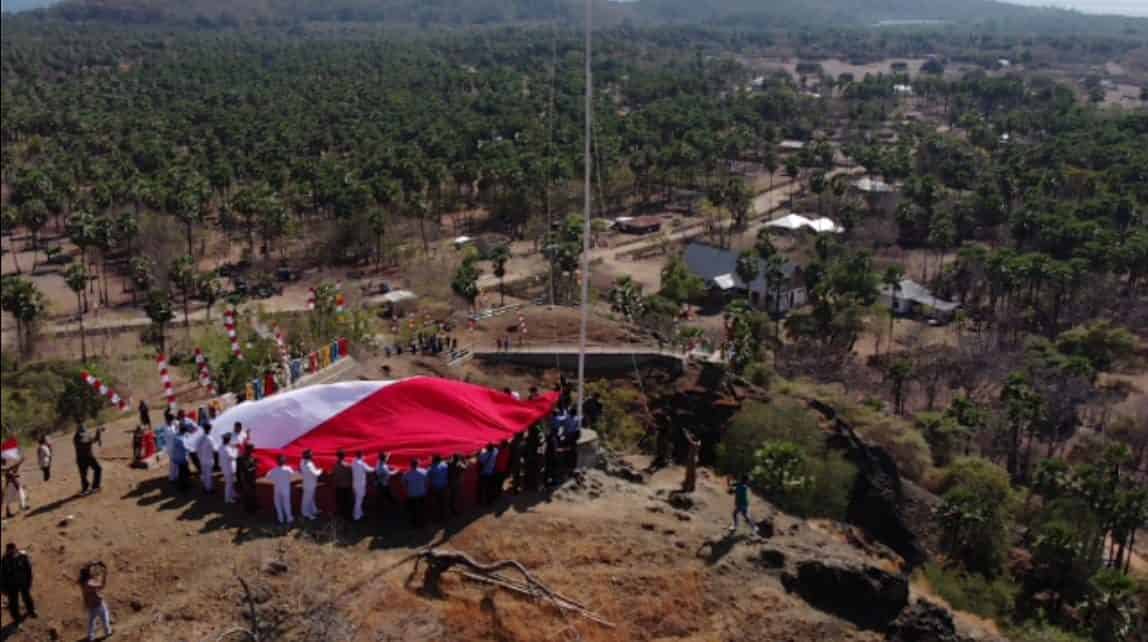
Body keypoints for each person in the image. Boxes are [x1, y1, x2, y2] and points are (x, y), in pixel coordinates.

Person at [1, 542, 36, 626]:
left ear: (15, 548)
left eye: (12, 549)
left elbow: (28, 569)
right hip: (11, 585)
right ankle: (16, 619)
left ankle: (31, 611)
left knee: (27, 597)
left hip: (22, 582)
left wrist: (29, 581)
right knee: (13, 603)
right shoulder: (4, 560)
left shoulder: (22, 556)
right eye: (9, 550)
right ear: (7, 550)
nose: (11, 551)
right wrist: (3, 589)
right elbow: (2, 576)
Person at [79, 562, 111, 641]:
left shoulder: (83, 583)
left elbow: (87, 567)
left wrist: (94, 563)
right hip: (98, 604)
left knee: (92, 623)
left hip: (91, 605)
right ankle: (108, 633)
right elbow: (101, 586)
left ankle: (91, 637)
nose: (91, 572)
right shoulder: (89, 583)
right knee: (104, 618)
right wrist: (105, 575)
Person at [73, 424, 103, 495]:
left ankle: (94, 487)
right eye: (83, 430)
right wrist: (97, 433)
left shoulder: (84, 435)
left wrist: (98, 433)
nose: (85, 431)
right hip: (83, 458)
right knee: (84, 475)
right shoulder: (76, 438)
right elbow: (85, 443)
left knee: (97, 469)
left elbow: (94, 440)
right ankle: (88, 488)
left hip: (87, 457)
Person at [266, 455, 295, 525]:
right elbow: (292, 475)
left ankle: (280, 518)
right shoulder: (288, 469)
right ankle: (289, 518)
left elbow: (268, 477)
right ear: (284, 461)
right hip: (285, 489)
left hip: (277, 489)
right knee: (287, 504)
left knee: (278, 504)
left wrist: (274, 480)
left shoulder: (273, 470)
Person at [401, 459, 428, 527]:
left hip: (412, 494)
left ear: (411, 465)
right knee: (422, 509)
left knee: (413, 510)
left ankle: (414, 522)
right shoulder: (424, 472)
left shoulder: (407, 473)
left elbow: (403, 482)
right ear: (418, 464)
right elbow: (427, 481)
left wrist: (407, 490)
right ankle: (422, 522)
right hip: (421, 493)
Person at [300, 450, 323, 520]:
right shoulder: (308, 464)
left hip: (308, 483)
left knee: (311, 498)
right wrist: (321, 470)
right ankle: (306, 513)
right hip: (310, 484)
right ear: (308, 456)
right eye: (311, 454)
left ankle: (314, 510)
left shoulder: (303, 461)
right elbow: (316, 473)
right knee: (307, 499)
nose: (312, 455)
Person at [237, 443, 259, 513]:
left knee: (252, 494)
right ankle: (249, 510)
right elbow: (246, 470)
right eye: (252, 449)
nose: (253, 450)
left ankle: (253, 507)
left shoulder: (251, 456)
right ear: (248, 449)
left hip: (252, 479)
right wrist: (255, 466)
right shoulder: (242, 458)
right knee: (247, 495)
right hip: (246, 480)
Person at [351, 451, 372, 521]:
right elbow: (369, 470)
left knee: (357, 499)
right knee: (359, 500)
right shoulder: (362, 463)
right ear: (361, 456)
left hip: (355, 484)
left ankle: (359, 513)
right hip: (360, 484)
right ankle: (356, 516)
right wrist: (374, 468)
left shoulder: (353, 462)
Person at [427, 455, 449, 521]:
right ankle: (444, 517)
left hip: (436, 487)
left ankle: (437, 518)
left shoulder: (432, 468)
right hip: (444, 486)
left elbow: (428, 477)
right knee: (443, 503)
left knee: (436, 504)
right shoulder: (445, 465)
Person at [333, 450, 354, 521]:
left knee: (341, 502)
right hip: (347, 486)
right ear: (344, 456)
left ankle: (342, 515)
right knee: (347, 502)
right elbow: (351, 475)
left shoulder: (335, 466)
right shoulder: (348, 466)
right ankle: (348, 517)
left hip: (339, 486)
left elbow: (335, 477)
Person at [219, 433, 238, 504]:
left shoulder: (221, 446)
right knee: (229, 484)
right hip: (229, 469)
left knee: (231, 482)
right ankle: (227, 499)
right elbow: (233, 457)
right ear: (228, 440)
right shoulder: (226, 449)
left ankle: (233, 494)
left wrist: (232, 448)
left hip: (226, 468)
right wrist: (235, 449)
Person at [170, 426, 190, 492]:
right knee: (183, 472)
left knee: (181, 471)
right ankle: (183, 486)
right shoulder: (182, 439)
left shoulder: (176, 437)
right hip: (182, 458)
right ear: (184, 431)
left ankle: (182, 484)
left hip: (177, 457)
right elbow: (187, 448)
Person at [197, 424, 216, 494]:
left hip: (202, 459)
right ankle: (209, 489)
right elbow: (214, 449)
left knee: (204, 474)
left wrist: (200, 456)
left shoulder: (201, 438)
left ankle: (205, 487)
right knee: (209, 475)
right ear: (209, 430)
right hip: (208, 459)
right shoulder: (210, 438)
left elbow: (197, 448)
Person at [523, 425, 542, 492]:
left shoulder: (528, 439)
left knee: (528, 472)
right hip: (534, 457)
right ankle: (533, 486)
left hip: (530, 457)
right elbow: (540, 450)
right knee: (533, 472)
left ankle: (527, 486)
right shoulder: (537, 440)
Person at [682, 429, 700, 493]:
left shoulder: (697, 443)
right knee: (690, 473)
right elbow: (691, 439)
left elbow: (691, 441)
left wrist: (686, 434)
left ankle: (689, 487)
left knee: (691, 473)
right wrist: (688, 433)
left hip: (692, 459)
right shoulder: (697, 442)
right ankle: (689, 486)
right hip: (692, 459)